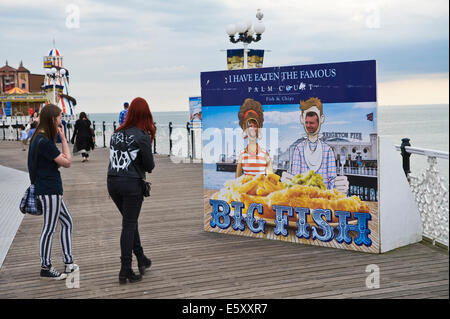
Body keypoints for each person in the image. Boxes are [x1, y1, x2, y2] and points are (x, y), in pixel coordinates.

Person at [107, 97, 156, 284]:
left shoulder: (116, 134)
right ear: (146, 115)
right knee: (128, 225)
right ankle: (125, 269)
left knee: (130, 221)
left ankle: (141, 258)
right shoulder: (142, 136)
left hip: (112, 183)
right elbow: (149, 166)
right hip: (131, 185)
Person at [28, 104, 78, 280]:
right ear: (52, 118)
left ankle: (69, 262)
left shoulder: (40, 140)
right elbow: (67, 162)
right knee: (49, 229)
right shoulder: (44, 142)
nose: (61, 119)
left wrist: (62, 137)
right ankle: (45, 266)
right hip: (49, 191)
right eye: (59, 116)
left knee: (67, 222)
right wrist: (64, 141)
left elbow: (62, 161)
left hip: (50, 190)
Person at [284, 97, 349, 193]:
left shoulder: (327, 150)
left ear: (321, 119)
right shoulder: (299, 149)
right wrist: (287, 183)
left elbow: (332, 180)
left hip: (323, 200)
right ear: (302, 119)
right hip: (304, 200)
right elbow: (295, 179)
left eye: (312, 123)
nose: (309, 126)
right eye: (307, 122)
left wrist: (339, 186)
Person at [236, 98, 272, 177]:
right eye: (250, 126)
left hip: (262, 189)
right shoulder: (242, 156)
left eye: (255, 126)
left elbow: (271, 180)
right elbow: (236, 182)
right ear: (245, 129)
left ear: (258, 128)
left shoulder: (265, 155)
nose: (252, 128)